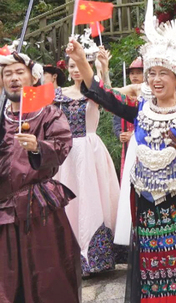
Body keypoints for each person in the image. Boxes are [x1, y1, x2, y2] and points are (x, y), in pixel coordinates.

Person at [66, 0, 176, 303]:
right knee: (153, 266)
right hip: (146, 201)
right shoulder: (139, 108)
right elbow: (103, 94)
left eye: (162, 74)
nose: (155, 79)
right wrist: (82, 61)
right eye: (151, 73)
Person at [0, 52, 80, 302]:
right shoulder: (1, 116)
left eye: (19, 72)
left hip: (38, 207)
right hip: (3, 211)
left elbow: (62, 146)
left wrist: (37, 147)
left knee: (48, 279)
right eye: (7, 74)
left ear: (33, 78)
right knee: (8, 284)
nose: (13, 78)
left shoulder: (48, 113)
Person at [53, 42, 121, 276]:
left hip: (91, 151)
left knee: (93, 199)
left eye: (79, 65)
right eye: (71, 66)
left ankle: (97, 258)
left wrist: (104, 70)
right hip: (65, 154)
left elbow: (111, 99)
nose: (75, 70)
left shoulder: (94, 93)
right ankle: (71, 257)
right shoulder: (57, 95)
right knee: (70, 200)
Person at [112, 57, 144, 180]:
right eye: (132, 73)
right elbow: (116, 118)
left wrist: (133, 135)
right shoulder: (125, 94)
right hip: (127, 146)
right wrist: (120, 133)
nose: (134, 76)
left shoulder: (152, 94)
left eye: (138, 72)